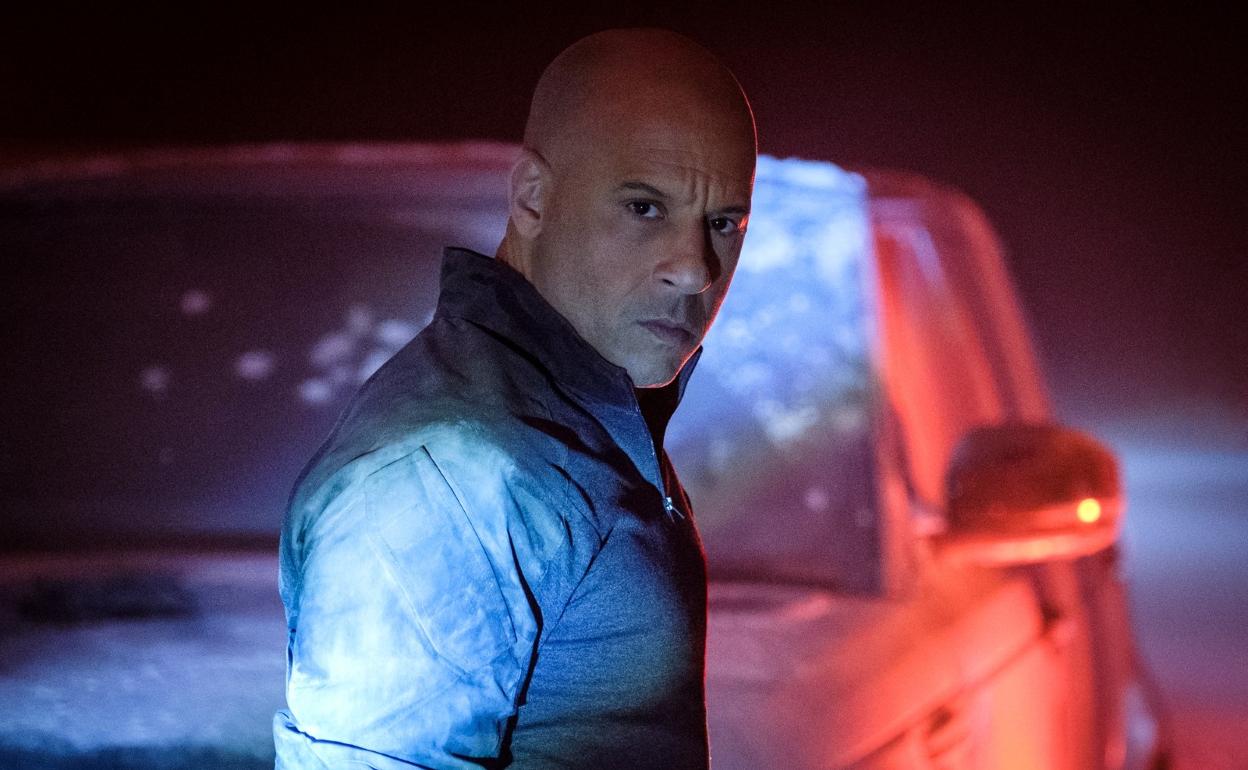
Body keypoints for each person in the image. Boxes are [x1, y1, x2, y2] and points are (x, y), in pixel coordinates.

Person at [273, 27, 757, 769]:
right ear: (533, 197)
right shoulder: (450, 469)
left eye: (722, 223)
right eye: (644, 208)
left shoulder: (572, 419)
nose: (695, 269)